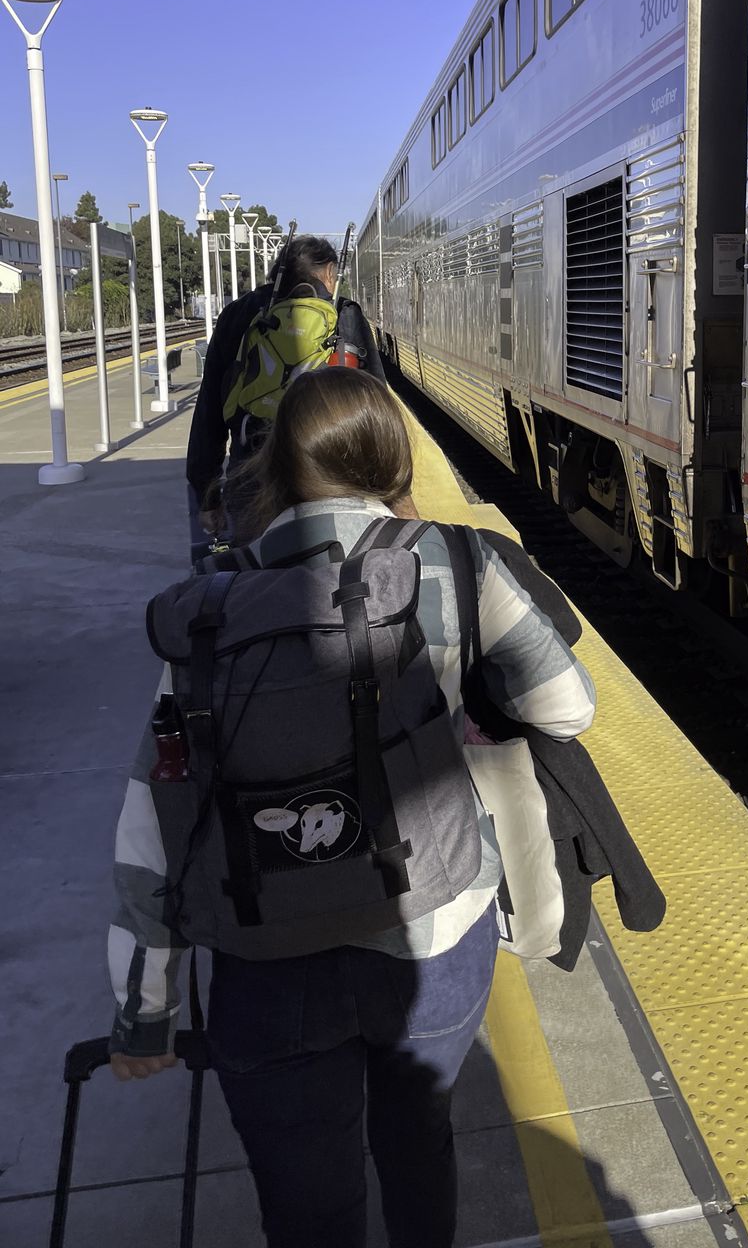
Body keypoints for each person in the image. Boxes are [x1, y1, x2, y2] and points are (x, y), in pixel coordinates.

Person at [109, 367, 596, 1248]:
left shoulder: (209, 618)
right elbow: (568, 708)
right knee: (418, 1146)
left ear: (277, 475)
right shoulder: (455, 559)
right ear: (391, 458)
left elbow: (155, 825)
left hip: (266, 962)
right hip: (436, 939)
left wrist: (145, 1010)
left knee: (307, 1200)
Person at [186, 234, 386, 534]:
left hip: (252, 482)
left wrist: (208, 498)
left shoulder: (238, 314)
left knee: (259, 574)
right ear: (330, 273)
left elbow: (209, 412)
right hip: (335, 482)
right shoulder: (344, 315)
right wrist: (389, 491)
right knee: (334, 573)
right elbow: (378, 408)